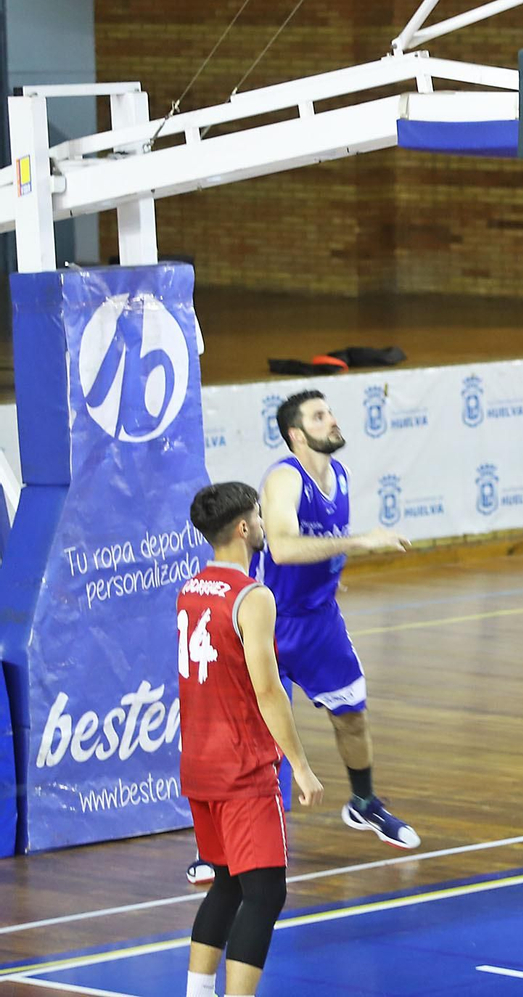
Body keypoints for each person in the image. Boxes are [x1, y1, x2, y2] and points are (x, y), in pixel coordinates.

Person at [180, 482, 324, 997]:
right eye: (259, 516)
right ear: (244, 527)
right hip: (241, 770)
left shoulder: (192, 588)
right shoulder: (252, 596)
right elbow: (267, 689)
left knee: (226, 882)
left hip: (198, 765)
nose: (264, 524)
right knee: (264, 893)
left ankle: (197, 993)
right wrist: (301, 765)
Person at [258, 390, 417, 850]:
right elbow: (284, 548)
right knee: (250, 735)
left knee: (352, 717)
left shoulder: (340, 475)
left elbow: (318, 546)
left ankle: (364, 804)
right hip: (266, 620)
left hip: (318, 620)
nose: (332, 420)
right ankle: (217, 847)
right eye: (319, 415)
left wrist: (331, 575)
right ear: (296, 433)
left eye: (330, 412)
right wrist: (359, 542)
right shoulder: (284, 479)